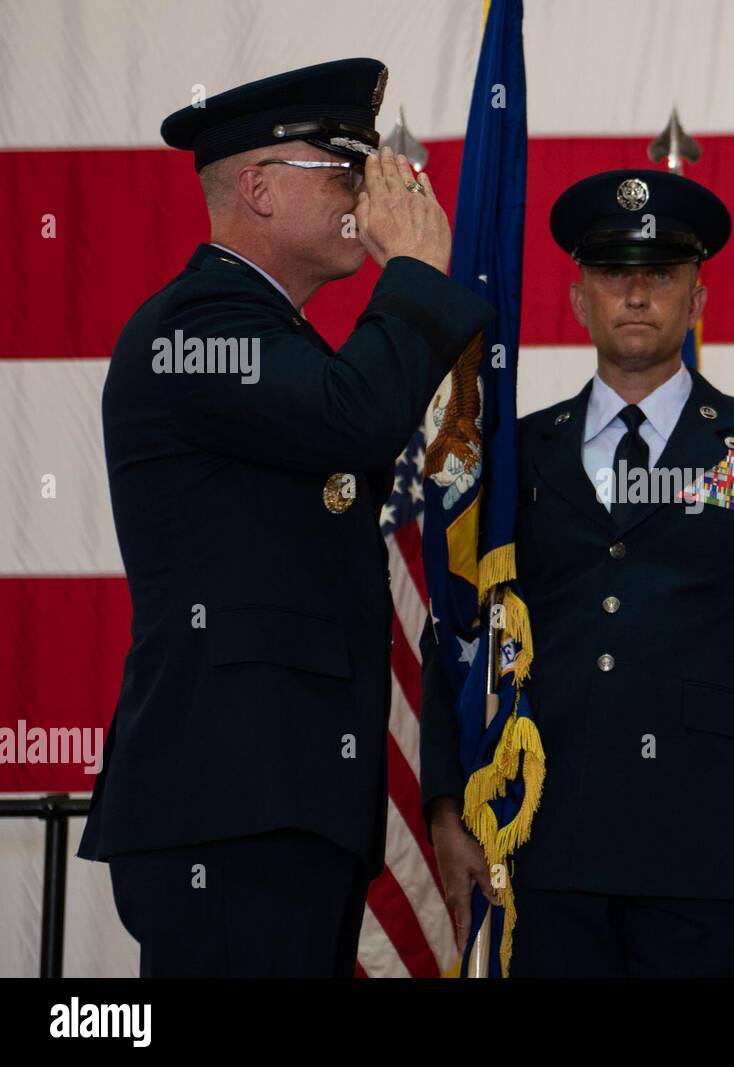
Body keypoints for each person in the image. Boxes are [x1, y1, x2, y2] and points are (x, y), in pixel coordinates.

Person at [77, 57, 495, 977]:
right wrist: (418, 270)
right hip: (226, 803)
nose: (365, 192)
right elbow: (354, 417)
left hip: (285, 799)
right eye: (343, 169)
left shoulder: (277, 334)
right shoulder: (194, 327)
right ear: (258, 188)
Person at [421, 170, 734, 977]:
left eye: (660, 276)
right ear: (580, 299)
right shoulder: (515, 458)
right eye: (615, 275)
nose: (637, 295)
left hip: (708, 845)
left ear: (698, 299)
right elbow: (458, 627)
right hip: (547, 844)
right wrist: (448, 805)